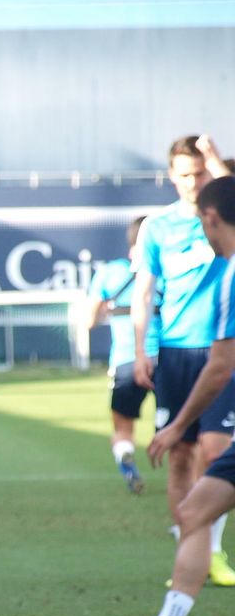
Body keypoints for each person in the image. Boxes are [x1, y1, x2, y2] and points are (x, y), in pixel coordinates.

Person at [115, 175, 235, 616]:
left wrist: (178, 424)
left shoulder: (231, 275)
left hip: (198, 382)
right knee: (193, 512)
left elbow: (222, 364)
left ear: (209, 216)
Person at [130, 135, 235, 587]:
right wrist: (140, 349)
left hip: (221, 351)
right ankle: (188, 545)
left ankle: (210, 550)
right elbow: (144, 290)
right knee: (179, 454)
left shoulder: (221, 216)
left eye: (200, 172)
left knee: (215, 450)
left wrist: (217, 160)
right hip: (175, 350)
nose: (193, 182)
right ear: (171, 176)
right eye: (185, 173)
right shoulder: (158, 227)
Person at [88, 215, 156, 494]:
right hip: (169, 357)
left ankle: (126, 455)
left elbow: (89, 320)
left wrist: (104, 311)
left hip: (126, 360)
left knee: (123, 426)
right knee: (182, 428)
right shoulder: (165, 271)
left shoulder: (110, 272)